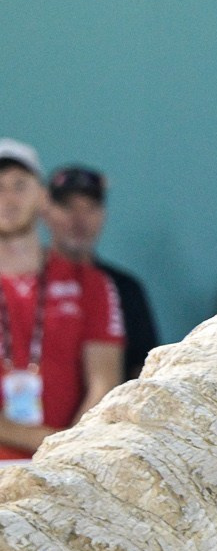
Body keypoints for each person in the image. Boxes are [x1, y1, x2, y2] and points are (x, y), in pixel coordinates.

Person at [0, 139, 124, 460]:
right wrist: (50, 443)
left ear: (42, 198)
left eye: (19, 185)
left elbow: (104, 384)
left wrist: (68, 457)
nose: (8, 199)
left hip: (64, 473)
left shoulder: (92, 283)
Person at [46, 164, 160, 378]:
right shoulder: (23, 284)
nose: (79, 221)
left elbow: (145, 371)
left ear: (103, 215)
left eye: (90, 208)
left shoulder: (124, 288)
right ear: (45, 211)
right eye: (68, 207)